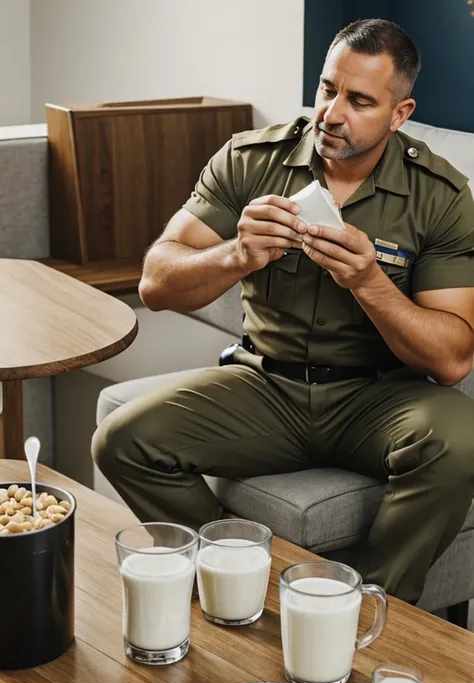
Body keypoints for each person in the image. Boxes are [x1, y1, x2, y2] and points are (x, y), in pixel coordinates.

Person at [92, 18, 474, 604]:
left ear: (400, 114)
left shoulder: (441, 196)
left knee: (461, 435)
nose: (331, 113)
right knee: (121, 440)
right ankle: (258, 591)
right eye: (327, 89)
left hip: (380, 399)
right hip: (265, 386)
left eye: (360, 101)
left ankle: (369, 612)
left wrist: (370, 282)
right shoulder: (251, 160)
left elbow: (451, 359)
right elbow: (157, 282)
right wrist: (236, 254)